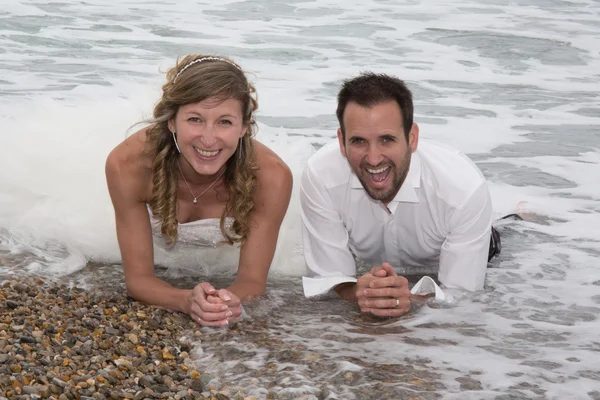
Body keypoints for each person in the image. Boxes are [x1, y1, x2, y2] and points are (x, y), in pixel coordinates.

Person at [106, 55, 293, 327]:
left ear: (244, 127)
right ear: (171, 122)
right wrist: (186, 301)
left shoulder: (272, 178)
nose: (208, 138)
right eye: (195, 119)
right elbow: (138, 281)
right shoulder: (128, 165)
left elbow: (251, 282)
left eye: (225, 122)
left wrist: (223, 301)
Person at [300, 72, 501, 318]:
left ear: (412, 138)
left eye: (387, 139)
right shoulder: (321, 175)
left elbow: (462, 296)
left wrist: (410, 301)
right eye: (359, 141)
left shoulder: (462, 189)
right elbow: (329, 277)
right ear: (341, 142)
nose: (373, 158)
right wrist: (360, 292)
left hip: (462, 249)